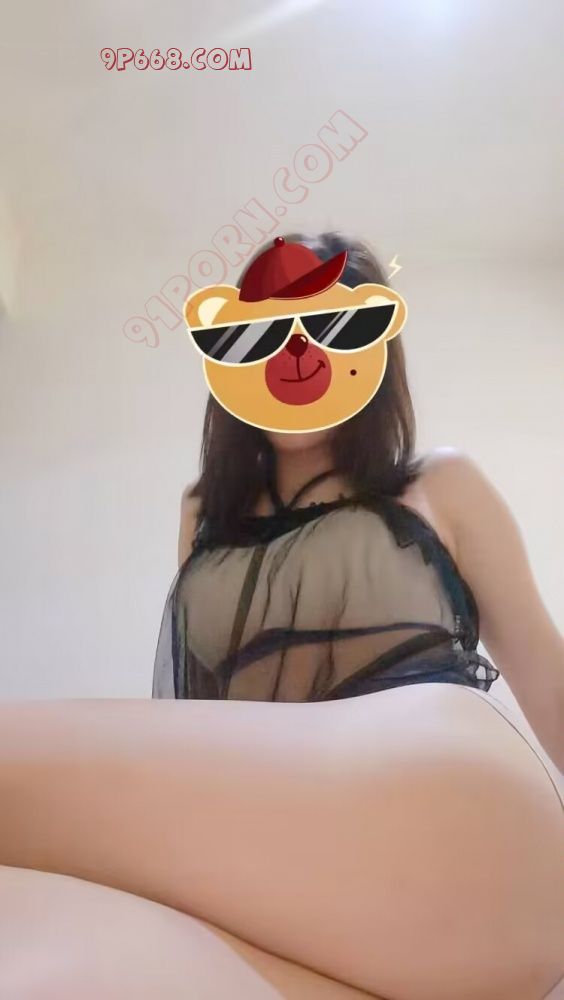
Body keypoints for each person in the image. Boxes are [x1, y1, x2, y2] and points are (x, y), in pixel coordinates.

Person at [0, 233, 562, 1000]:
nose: (295, 357)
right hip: (318, 910)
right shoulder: (204, 515)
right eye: (263, 335)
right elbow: (202, 733)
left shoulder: (439, 484)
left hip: (446, 812)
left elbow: (546, 676)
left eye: (329, 330)